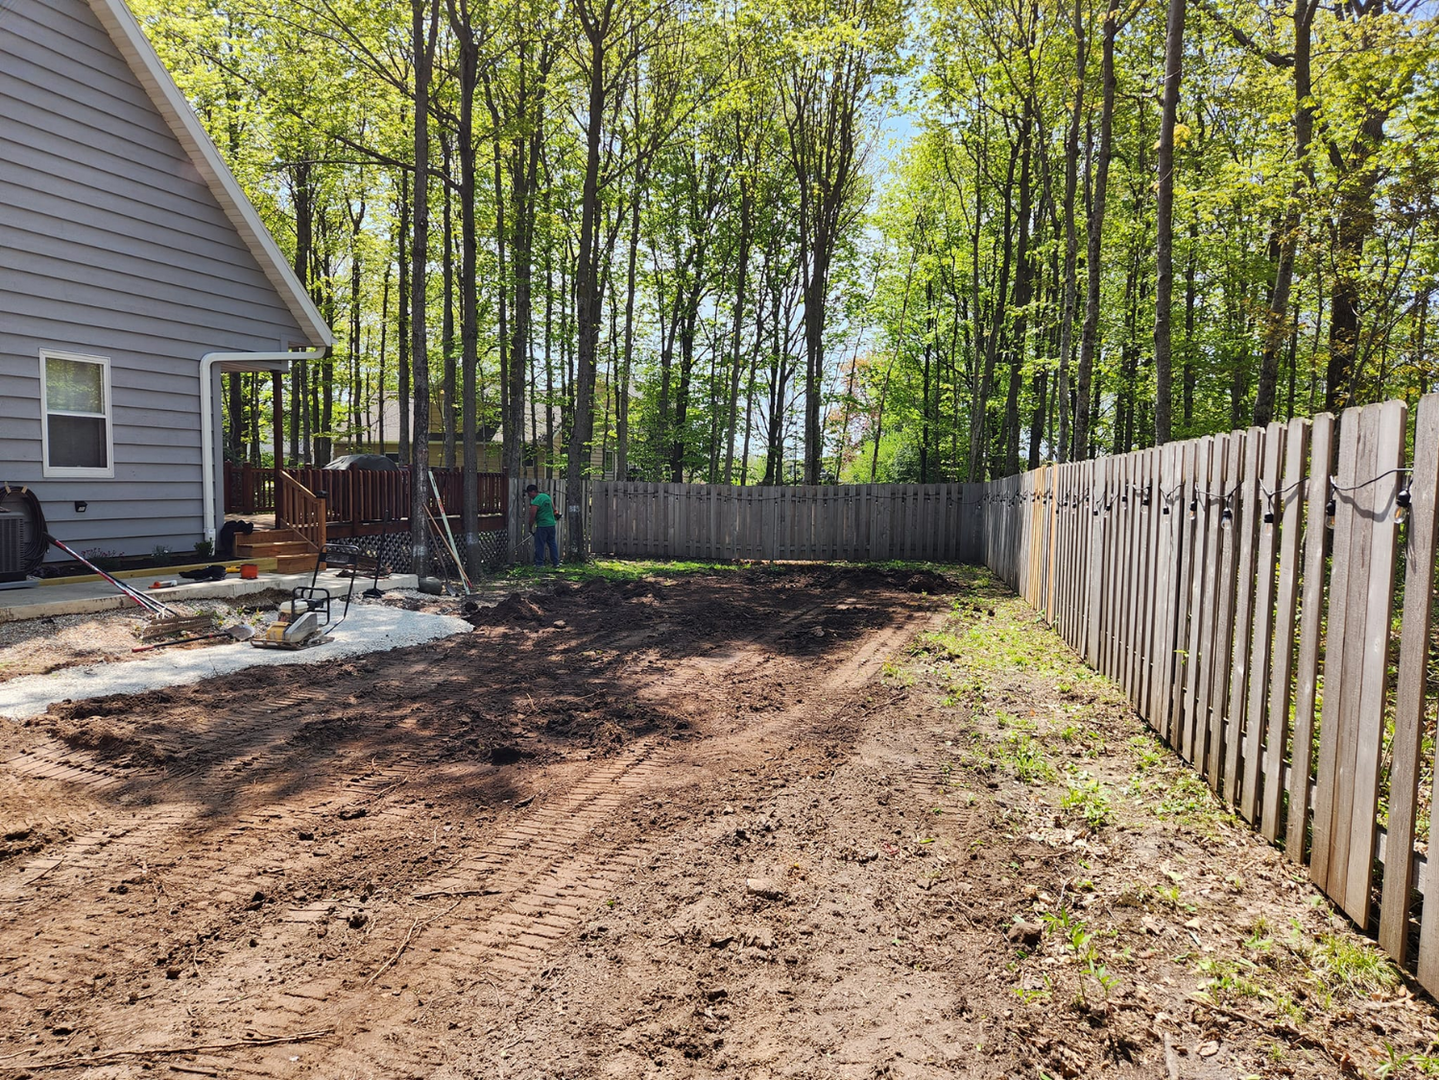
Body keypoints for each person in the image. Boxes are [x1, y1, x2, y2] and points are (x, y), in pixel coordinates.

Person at [526, 483, 559, 569]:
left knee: (539, 544)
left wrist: (530, 527)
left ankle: (539, 564)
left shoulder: (536, 501)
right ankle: (556, 563)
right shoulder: (546, 497)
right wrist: (556, 516)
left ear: (533, 491)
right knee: (552, 543)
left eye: (529, 494)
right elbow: (554, 509)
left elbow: (532, 515)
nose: (529, 496)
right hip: (551, 524)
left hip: (542, 525)